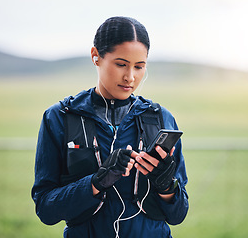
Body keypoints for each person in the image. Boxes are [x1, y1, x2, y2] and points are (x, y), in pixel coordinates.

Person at [31, 16, 189, 238]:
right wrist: (95, 183)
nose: (130, 77)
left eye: (139, 66)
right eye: (121, 64)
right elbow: (46, 209)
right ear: (96, 56)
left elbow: (178, 214)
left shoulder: (162, 119)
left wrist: (166, 186)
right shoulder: (59, 117)